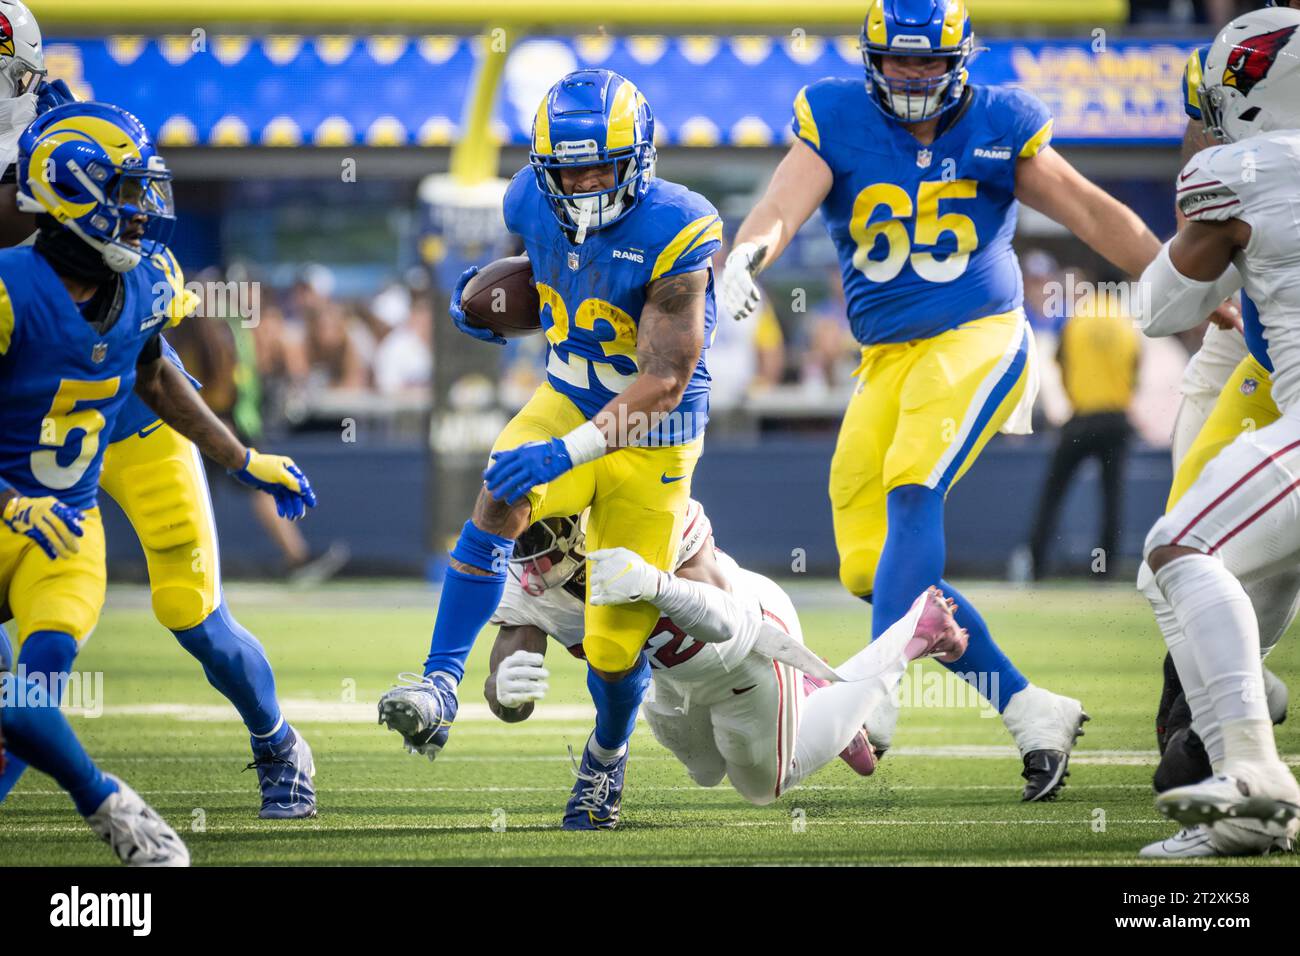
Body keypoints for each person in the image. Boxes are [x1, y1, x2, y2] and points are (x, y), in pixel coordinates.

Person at [718, 0, 1168, 798]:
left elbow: (1094, 213)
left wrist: (1180, 280)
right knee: (870, 563)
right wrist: (748, 255)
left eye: (931, 62)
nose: (917, 76)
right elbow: (784, 202)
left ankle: (874, 689)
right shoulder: (836, 116)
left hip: (979, 337)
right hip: (886, 359)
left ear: (961, 60)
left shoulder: (999, 124)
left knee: (912, 482)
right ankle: (1033, 708)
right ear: (873, 59)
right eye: (902, 61)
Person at [378, 69, 722, 829]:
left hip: (650, 434)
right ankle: (439, 685)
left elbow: (664, 381)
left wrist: (567, 454)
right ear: (544, 170)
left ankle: (605, 758)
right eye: (569, 170)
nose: (586, 184)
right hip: (566, 391)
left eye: (601, 166)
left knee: (611, 644)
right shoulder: (528, 200)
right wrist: (492, 300)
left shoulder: (679, 227)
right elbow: (547, 273)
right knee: (501, 488)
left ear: (641, 158)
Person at [0, 99, 318, 818]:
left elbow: (156, 364)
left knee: (190, 608)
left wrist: (241, 458)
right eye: (124, 192)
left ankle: (277, 743)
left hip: (132, 428)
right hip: (20, 445)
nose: (141, 210)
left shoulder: (65, 138)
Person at [482, 503, 967, 810]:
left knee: (761, 786)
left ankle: (916, 631)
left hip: (748, 650)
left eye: (539, 550)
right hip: (672, 681)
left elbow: (727, 623)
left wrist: (654, 584)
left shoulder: (649, 515)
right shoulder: (529, 586)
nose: (530, 570)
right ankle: (811, 702)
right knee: (706, 773)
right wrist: (506, 695)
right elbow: (505, 690)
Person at [1135, 6, 1300, 850]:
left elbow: (1157, 306)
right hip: (1277, 402)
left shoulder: (1244, 168)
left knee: (1176, 548)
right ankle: (1236, 748)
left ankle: (1253, 774)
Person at [1026, 278, 1140, 578]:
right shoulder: (1125, 322)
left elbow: (1059, 361)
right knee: (1111, 498)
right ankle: (1104, 569)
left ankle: (1036, 564)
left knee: (1053, 493)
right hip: (1116, 419)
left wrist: (1073, 396)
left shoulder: (1077, 319)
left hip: (1081, 419)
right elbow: (1136, 368)